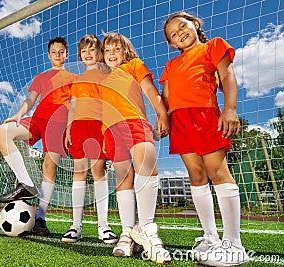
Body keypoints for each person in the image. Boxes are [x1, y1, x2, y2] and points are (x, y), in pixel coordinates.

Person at [161, 11, 249, 266]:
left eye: (182, 26)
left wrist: (230, 109)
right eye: (173, 35)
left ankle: (234, 244)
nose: (180, 34)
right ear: (172, 44)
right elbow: (166, 98)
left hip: (204, 115)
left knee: (217, 172)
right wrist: (163, 118)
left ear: (195, 24)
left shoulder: (213, 46)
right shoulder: (170, 66)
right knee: (196, 176)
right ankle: (210, 237)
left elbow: (228, 76)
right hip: (180, 121)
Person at [0, 37, 78, 236]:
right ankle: (27, 185)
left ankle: (40, 218)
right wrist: (19, 114)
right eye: (54, 52)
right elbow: (30, 99)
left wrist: (69, 126)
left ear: (67, 54)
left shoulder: (74, 77)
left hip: (58, 123)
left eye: (61, 52)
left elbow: (74, 104)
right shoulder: (41, 77)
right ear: (49, 55)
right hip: (37, 119)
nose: (57, 55)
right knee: (1, 132)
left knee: (49, 167)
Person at [100, 32, 171, 263]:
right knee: (123, 178)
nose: (111, 54)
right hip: (111, 129)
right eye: (107, 50)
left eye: (116, 49)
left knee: (148, 166)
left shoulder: (133, 66)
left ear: (125, 51)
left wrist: (162, 113)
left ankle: (147, 227)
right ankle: (127, 232)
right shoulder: (100, 79)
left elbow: (151, 91)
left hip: (134, 121)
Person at [61, 34, 118, 244]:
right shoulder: (77, 80)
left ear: (99, 53)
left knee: (98, 171)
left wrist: (107, 128)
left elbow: (108, 103)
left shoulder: (105, 76)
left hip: (97, 125)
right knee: (78, 172)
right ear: (79, 55)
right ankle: (76, 226)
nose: (87, 54)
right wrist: (68, 128)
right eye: (84, 51)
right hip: (78, 127)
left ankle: (104, 226)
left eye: (91, 50)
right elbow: (73, 106)